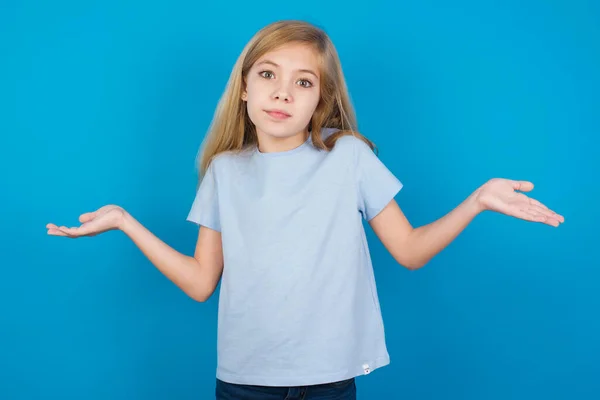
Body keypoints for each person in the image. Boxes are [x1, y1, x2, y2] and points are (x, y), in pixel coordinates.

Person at [46, 20, 564, 400]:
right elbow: (203, 282)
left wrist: (476, 201)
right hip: (246, 382)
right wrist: (125, 222)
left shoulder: (349, 156)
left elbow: (408, 250)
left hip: (330, 380)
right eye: (269, 74)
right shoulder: (225, 171)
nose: (283, 93)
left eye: (304, 82)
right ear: (245, 86)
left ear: (320, 99)